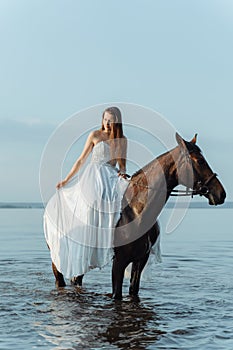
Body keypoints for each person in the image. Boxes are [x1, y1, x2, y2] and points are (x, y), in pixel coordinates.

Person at [43, 107, 129, 280]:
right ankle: (84, 246)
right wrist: (66, 180)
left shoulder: (122, 140)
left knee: (127, 201)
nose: (108, 123)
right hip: (93, 175)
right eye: (105, 119)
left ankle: (116, 242)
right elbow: (81, 159)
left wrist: (123, 173)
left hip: (111, 175)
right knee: (91, 206)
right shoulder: (95, 135)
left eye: (111, 120)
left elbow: (122, 165)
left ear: (117, 121)